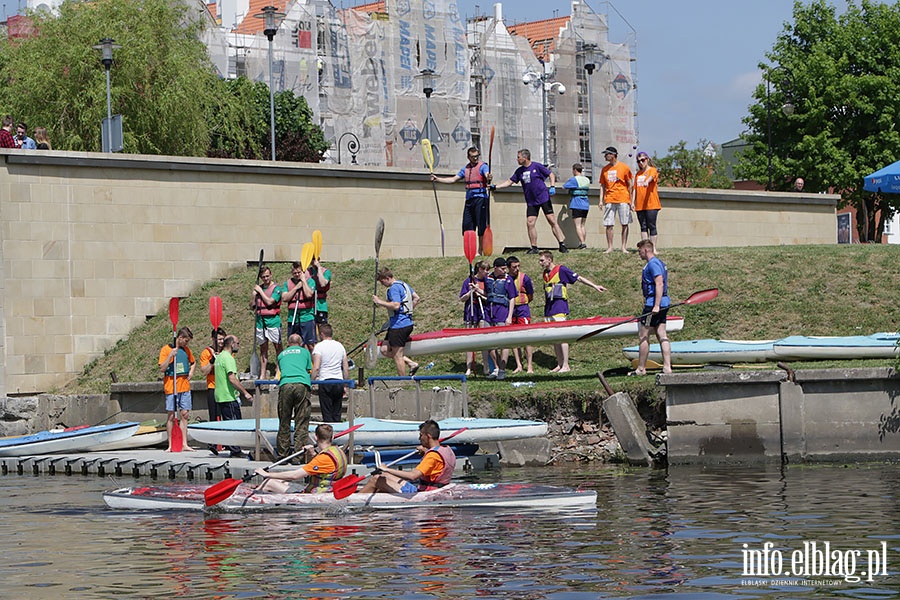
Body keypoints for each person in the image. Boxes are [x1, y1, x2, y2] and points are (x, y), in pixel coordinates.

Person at [538, 250, 607, 372]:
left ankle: (566, 365)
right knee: (554, 337)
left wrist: (595, 286)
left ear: (549, 260)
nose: (540, 263)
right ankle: (559, 364)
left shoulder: (561, 270)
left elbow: (578, 278)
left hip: (559, 307)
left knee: (562, 336)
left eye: (542, 260)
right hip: (549, 309)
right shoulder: (545, 274)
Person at [493, 148, 568, 254]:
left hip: (543, 197)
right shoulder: (519, 171)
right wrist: (495, 187)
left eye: (518, 157)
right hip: (531, 201)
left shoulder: (536, 166)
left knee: (551, 220)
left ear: (525, 157)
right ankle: (534, 247)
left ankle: (562, 244)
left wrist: (552, 186)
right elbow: (509, 182)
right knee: (530, 223)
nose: (517, 159)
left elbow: (551, 175)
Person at [358, 419, 456, 494]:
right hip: (435, 489)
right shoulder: (446, 449)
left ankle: (353, 502)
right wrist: (426, 451)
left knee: (376, 479)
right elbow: (437, 465)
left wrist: (387, 469)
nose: (419, 438)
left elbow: (413, 476)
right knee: (383, 477)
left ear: (428, 436)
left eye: (421, 435)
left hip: (425, 494)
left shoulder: (432, 456)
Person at [254, 423, 348, 493]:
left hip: (316, 494)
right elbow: (325, 469)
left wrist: (266, 474)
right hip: (327, 489)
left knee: (269, 482)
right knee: (279, 480)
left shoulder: (323, 458)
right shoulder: (338, 451)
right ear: (332, 437)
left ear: (316, 437)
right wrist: (312, 453)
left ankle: (253, 500)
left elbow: (294, 475)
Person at [431, 146, 492, 254]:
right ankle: (470, 250)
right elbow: (453, 179)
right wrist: (438, 179)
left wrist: (489, 177)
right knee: (468, 226)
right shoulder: (465, 169)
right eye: (473, 157)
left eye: (477, 156)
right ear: (468, 157)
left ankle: (480, 250)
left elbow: (487, 174)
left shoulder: (483, 166)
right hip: (469, 199)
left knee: (481, 225)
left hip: (481, 198)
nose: (475, 159)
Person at [634, 240, 672, 375]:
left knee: (643, 335)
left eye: (639, 251)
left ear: (645, 250)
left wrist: (655, 305)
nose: (639, 254)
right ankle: (667, 367)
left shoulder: (653, 264)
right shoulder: (659, 262)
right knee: (661, 334)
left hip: (653, 305)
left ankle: (641, 368)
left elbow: (659, 283)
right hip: (664, 303)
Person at [373, 267, 420, 376]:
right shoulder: (404, 285)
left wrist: (379, 302)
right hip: (398, 324)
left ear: (387, 278)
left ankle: (403, 381)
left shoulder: (394, 288)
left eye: (381, 281)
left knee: (397, 355)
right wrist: (408, 310)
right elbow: (416, 298)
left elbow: (396, 305)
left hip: (400, 325)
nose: (381, 284)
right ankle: (411, 363)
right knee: (384, 349)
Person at [275, 333, 313, 461]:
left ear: (288, 343)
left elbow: (281, 369)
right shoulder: (305, 352)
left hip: (285, 385)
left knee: (284, 420)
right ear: (301, 343)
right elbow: (309, 369)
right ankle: (298, 456)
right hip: (301, 384)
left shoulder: (281, 355)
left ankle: (282, 454)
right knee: (301, 420)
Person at [214, 335, 254, 458]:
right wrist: (245, 392)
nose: (238, 345)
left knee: (228, 424)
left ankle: (233, 448)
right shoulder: (228, 358)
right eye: (238, 343)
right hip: (228, 396)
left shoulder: (219, 357)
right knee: (235, 424)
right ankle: (235, 450)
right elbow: (232, 379)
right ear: (232, 344)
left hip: (219, 396)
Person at [158, 326, 196, 452]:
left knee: (184, 415)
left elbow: (193, 362)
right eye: (186, 341)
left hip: (184, 386)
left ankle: (184, 443)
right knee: (170, 416)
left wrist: (191, 372)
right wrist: (170, 356)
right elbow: (162, 368)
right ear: (179, 338)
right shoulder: (166, 349)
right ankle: (170, 444)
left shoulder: (186, 350)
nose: (187, 343)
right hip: (171, 387)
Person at [483, 257, 517, 380]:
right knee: (489, 342)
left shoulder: (508, 280)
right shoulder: (488, 279)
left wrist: (509, 316)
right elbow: (487, 294)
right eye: (502, 268)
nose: (504, 271)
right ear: (496, 268)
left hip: (502, 311)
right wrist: (477, 290)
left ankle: (502, 369)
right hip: (489, 312)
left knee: (503, 342)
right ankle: (496, 368)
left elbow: (512, 298)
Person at [311, 323, 349, 423]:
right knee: (337, 413)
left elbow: (316, 367)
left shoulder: (319, 347)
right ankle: (337, 434)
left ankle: (327, 434)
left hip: (325, 382)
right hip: (338, 382)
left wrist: (311, 381)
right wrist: (345, 384)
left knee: (327, 413)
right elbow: (345, 367)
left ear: (322, 334)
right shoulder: (340, 346)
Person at [598, 146, 633, 254]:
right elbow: (602, 186)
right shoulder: (604, 169)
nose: (605, 156)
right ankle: (610, 247)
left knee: (624, 223)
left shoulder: (624, 167)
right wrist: (600, 200)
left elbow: (630, 184)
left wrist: (631, 201)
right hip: (609, 198)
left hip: (623, 198)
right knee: (608, 224)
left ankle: (623, 247)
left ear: (613, 155)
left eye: (607, 154)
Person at [199, 326, 226, 455]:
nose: (221, 342)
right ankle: (214, 442)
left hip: (224, 388)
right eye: (219, 339)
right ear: (213, 339)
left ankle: (226, 443)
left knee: (226, 417)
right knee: (214, 416)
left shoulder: (227, 351)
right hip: (212, 388)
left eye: (223, 339)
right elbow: (204, 371)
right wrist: (212, 361)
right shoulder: (206, 352)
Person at [459, 259, 489, 376]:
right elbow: (462, 298)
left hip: (482, 311)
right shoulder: (469, 281)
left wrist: (479, 292)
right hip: (470, 311)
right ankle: (468, 367)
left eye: (488, 270)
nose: (487, 272)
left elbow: (488, 295)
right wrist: (470, 292)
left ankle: (486, 366)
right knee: (469, 339)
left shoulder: (487, 281)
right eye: (485, 270)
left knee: (483, 339)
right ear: (479, 269)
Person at [252, 265, 283, 377]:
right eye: (263, 277)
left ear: (271, 275)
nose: (265, 278)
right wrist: (253, 295)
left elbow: (270, 302)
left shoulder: (277, 289)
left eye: (267, 276)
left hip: (273, 321)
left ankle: (278, 371)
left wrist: (260, 291)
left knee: (278, 347)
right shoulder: (259, 289)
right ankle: (262, 374)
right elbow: (252, 306)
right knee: (263, 349)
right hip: (260, 322)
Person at [506, 256, 534, 374]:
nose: (517, 269)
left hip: (523, 309)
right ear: (508, 268)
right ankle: (518, 364)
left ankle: (529, 366)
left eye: (518, 266)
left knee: (527, 338)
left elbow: (531, 294)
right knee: (513, 338)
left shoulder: (525, 278)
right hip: (511, 310)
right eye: (514, 267)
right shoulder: (506, 278)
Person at [280, 261, 316, 350]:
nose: (296, 275)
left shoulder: (310, 281)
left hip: (307, 316)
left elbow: (308, 295)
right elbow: (285, 298)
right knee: (294, 344)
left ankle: (313, 363)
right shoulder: (287, 283)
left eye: (299, 272)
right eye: (294, 273)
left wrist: (303, 281)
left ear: (303, 272)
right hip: (293, 317)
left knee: (310, 344)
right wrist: (296, 288)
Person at [632, 151, 661, 248]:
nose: (641, 163)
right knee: (643, 227)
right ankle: (645, 248)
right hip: (640, 204)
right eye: (638, 161)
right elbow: (635, 189)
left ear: (647, 160)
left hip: (651, 203)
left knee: (651, 225)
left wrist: (647, 182)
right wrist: (632, 202)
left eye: (642, 160)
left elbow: (652, 177)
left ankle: (653, 248)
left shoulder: (652, 170)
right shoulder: (638, 174)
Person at [562, 163, 591, 249]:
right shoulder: (587, 179)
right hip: (585, 204)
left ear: (574, 170)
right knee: (582, 225)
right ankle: (583, 242)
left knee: (578, 225)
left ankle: (582, 243)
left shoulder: (574, 180)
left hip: (576, 203)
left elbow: (564, 186)